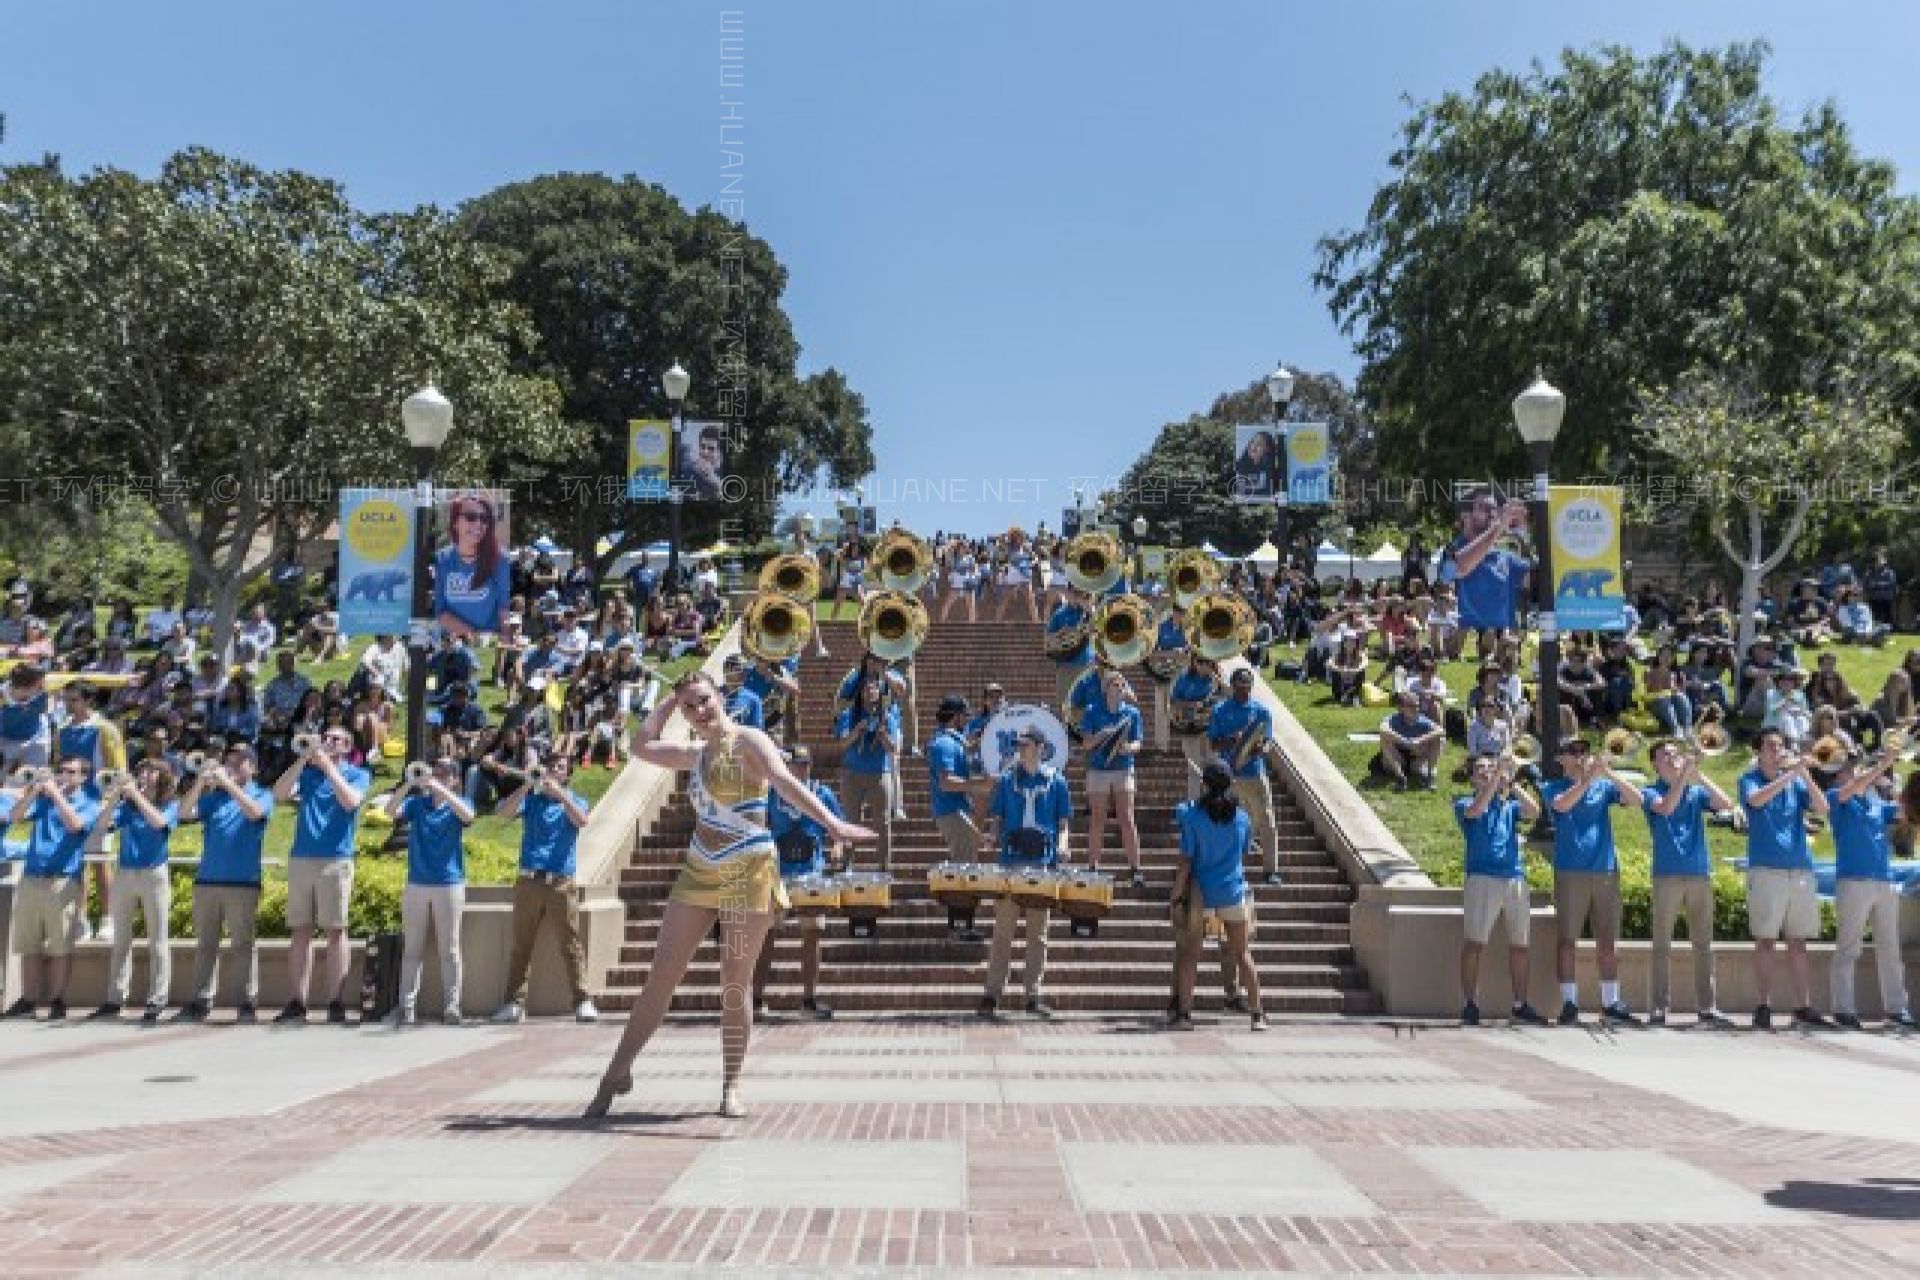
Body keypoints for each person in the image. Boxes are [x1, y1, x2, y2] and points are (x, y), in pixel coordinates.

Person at [586, 672, 872, 1120]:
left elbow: (785, 784)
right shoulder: (694, 755)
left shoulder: (749, 740)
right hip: (699, 868)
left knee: (734, 982)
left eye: (703, 700)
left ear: (720, 697)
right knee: (662, 973)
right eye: (689, 708)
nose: (699, 711)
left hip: (747, 870)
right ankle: (618, 1071)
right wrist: (666, 703)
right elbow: (640, 748)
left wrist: (832, 825)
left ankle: (731, 1083)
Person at [490, 756, 599, 1025]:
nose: (553, 771)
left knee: (570, 943)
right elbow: (503, 814)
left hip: (560, 882)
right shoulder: (532, 800)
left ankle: (582, 1000)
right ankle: (514, 1003)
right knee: (521, 945)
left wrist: (561, 795)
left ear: (567, 776)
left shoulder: (573, 800)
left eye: (560, 768)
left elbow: (582, 820)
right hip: (529, 880)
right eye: (550, 767)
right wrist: (526, 784)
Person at [1542, 739, 1644, 1026]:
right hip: (1571, 872)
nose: (1581, 756)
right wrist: (1586, 780)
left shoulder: (1603, 787)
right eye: (1573, 752)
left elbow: (1637, 800)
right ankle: (1569, 1002)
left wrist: (1609, 773)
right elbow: (1561, 806)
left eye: (1583, 751)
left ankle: (1611, 1002)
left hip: (1605, 872)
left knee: (1608, 941)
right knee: (1567, 941)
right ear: (1561, 759)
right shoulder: (1553, 787)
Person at [272, 727, 369, 1024]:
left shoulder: (357, 774)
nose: (328, 742)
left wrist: (329, 768)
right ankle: (297, 1001)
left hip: (336, 860)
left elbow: (351, 802)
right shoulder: (308, 774)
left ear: (348, 746)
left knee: (336, 931)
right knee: (300, 930)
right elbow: (279, 794)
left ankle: (335, 1001)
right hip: (302, 858)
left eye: (337, 739)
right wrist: (302, 760)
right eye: (326, 738)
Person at [1739, 728, 1831, 1030]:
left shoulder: (1795, 784)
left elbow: (1823, 808)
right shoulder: (1749, 779)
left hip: (1800, 870)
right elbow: (1755, 801)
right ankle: (1763, 1005)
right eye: (1771, 746)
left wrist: (1804, 774)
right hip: (1767, 870)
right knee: (1765, 940)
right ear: (1759, 752)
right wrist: (1790, 776)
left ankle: (1801, 1005)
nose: (1777, 751)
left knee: (1798, 942)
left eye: (1781, 746)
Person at [174, 745, 274, 1022]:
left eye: (240, 762)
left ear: (253, 768)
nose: (232, 765)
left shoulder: (262, 795)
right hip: (207, 881)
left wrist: (228, 784)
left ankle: (246, 1002)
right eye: (229, 761)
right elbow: (182, 814)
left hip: (243, 882)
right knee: (206, 944)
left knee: (242, 945)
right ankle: (199, 1000)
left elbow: (255, 814)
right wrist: (199, 783)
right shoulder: (213, 798)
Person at [979, 725, 1072, 1019]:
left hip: (1042, 863)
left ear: (1041, 748)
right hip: (1010, 860)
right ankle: (992, 994)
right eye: (1019, 745)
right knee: (1002, 932)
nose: (1021, 748)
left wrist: (1063, 846)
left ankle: (1033, 995)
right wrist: (991, 835)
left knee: (1038, 935)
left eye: (1026, 744)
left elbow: (1064, 823)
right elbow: (997, 816)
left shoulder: (1057, 782)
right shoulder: (1007, 781)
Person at [1168, 761, 1269, 1029]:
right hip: (1234, 892)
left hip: (1202, 894)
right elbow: (1246, 850)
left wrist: (1176, 896)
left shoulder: (1192, 817)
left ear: (1205, 784)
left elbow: (1185, 862)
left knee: (1190, 955)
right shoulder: (1242, 818)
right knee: (1242, 953)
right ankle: (1257, 1013)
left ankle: (1184, 1014)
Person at [1641, 740, 1734, 1025]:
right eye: (1664, 756)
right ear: (1655, 764)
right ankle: (1659, 1007)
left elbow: (1726, 803)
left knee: (1703, 944)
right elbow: (1667, 807)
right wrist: (1684, 777)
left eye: (1674, 754)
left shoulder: (1694, 791)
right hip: (1667, 874)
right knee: (1662, 944)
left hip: (1698, 873)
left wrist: (1699, 775)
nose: (1671, 758)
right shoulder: (1649, 791)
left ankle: (1707, 1007)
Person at [2, 758, 99, 1020]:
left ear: (83, 777)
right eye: (61, 771)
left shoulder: (89, 802)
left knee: (60, 946)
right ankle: (29, 998)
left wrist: (56, 794)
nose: (64, 776)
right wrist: (34, 790)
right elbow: (14, 817)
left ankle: (57, 999)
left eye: (71, 772)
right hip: (32, 878)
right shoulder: (42, 800)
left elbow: (76, 826)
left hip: (63, 881)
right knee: (28, 944)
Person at [1825, 747, 1914, 1029]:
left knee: (1890, 948)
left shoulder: (1876, 804)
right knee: (1848, 948)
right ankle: (1843, 1009)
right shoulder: (1835, 798)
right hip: (1853, 881)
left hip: (1883, 881)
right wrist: (1881, 767)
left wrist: (1901, 785)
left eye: (1854, 767)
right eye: (1848, 769)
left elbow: (1905, 814)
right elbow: (1850, 790)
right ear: (1837, 775)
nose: (1854, 771)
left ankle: (1896, 1008)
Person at [1455, 753, 1546, 1027]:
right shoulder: (1464, 802)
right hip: (1482, 878)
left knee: (1520, 945)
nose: (1486, 772)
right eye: (1480, 769)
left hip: (1514, 878)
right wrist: (1496, 779)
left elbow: (1534, 811)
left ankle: (1520, 1004)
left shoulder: (1508, 806)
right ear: (1472, 777)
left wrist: (1513, 782)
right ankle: (1470, 1003)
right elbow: (1476, 811)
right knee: (1475, 943)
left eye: (1490, 767)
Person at [85, 760, 180, 1022]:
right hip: (125, 873)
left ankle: (157, 999)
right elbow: (102, 826)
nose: (143, 775)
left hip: (154, 875)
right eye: (141, 772)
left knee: (158, 941)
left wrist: (135, 794)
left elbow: (159, 823)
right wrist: (115, 796)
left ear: (162, 777)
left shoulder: (169, 804)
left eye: (150, 771)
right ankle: (115, 997)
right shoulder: (127, 807)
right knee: (120, 941)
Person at [754, 745, 843, 1019]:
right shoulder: (770, 793)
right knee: (766, 933)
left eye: (804, 764)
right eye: (794, 764)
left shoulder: (822, 793)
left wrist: (838, 846)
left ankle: (808, 998)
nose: (799, 769)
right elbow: (756, 822)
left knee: (813, 932)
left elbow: (837, 826)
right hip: (777, 870)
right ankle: (756, 997)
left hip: (810, 871)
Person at [384, 756, 474, 1026]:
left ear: (455, 779)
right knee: (412, 948)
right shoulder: (417, 804)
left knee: (450, 948)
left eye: (445, 773)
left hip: (449, 883)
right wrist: (407, 784)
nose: (437, 775)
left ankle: (452, 1006)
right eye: (436, 771)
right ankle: (406, 1007)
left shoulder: (460, 804)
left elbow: (469, 816)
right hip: (417, 883)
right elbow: (389, 811)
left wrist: (442, 789)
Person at [54, 682, 126, 945]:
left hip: (98, 806)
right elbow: (58, 766)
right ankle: (80, 920)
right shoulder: (62, 731)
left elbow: (119, 771)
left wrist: (108, 805)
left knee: (100, 861)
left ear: (87, 701)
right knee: (77, 865)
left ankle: (108, 920)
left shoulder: (106, 730)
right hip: (71, 806)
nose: (67, 704)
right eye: (65, 699)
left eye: (73, 700)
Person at [1206, 667, 1283, 884]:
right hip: (1230, 775)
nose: (1244, 691)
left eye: (1247, 686)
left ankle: (1271, 870)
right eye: (1240, 686)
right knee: (1229, 823)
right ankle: (1229, 869)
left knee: (1267, 821)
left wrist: (1261, 748)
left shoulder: (1261, 711)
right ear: (1233, 686)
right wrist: (1234, 739)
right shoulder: (1220, 710)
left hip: (1255, 773)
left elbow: (1267, 742)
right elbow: (1213, 744)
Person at [1082, 667, 1146, 889]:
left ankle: (1136, 868)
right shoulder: (1092, 710)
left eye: (1121, 685)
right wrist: (1104, 735)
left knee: (1127, 817)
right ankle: (1092, 866)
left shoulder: (1132, 713)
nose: (1119, 688)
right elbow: (1086, 743)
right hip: (1098, 768)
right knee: (1098, 818)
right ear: (1105, 688)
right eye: (1114, 684)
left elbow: (1139, 743)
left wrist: (1128, 748)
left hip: (1123, 767)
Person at [1441, 487, 1530, 643]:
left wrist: (1524, 532)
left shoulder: (1505, 554)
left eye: (1494, 509)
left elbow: (1533, 579)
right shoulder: (1451, 551)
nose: (1492, 514)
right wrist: (1498, 527)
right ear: (1465, 515)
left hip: (1503, 641)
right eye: (1484, 508)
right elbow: (1457, 570)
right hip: (1466, 639)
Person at [927, 695, 986, 925]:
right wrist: (979, 785)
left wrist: (975, 741)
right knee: (964, 870)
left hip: (956, 811)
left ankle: (962, 922)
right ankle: (960, 925)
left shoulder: (952, 741)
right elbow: (946, 782)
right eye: (963, 715)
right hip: (952, 811)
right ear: (954, 717)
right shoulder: (944, 744)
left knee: (967, 866)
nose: (966, 720)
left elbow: (963, 747)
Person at [835, 675, 899, 870]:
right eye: (866, 689)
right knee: (851, 821)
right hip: (852, 774)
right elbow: (841, 744)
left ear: (879, 693)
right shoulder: (849, 714)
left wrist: (884, 736)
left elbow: (893, 749)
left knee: (883, 822)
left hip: (879, 773)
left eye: (874, 689)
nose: (870, 692)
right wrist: (857, 731)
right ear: (860, 693)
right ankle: (847, 865)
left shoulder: (887, 716)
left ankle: (884, 866)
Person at [434, 494, 511, 636]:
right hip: (451, 643)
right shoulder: (442, 559)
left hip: (488, 644)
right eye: (470, 517)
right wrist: (472, 637)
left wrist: (505, 637)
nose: (478, 524)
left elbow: (504, 609)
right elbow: (440, 612)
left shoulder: (500, 559)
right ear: (455, 522)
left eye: (484, 518)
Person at [1378, 691, 1444, 792]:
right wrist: (1405, 741)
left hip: (1416, 759)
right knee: (1384, 739)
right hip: (1398, 759)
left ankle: (1429, 777)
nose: (1415, 709)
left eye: (1417, 706)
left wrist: (1419, 740)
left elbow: (1440, 730)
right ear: (1401, 708)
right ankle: (1400, 777)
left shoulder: (1423, 720)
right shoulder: (1394, 718)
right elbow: (1382, 729)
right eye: (1411, 706)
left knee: (1439, 739)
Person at [1044, 585, 1094, 711]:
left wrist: (1089, 610)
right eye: (1075, 592)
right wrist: (1059, 633)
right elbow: (1047, 640)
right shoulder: (1059, 613)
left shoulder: (1089, 611)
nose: (1078, 595)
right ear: (1069, 593)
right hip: (1065, 666)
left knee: (1086, 705)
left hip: (1086, 665)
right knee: (1064, 705)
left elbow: (1099, 629)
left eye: (1081, 592)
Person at [1233, 429, 1279, 501]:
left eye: (1259, 444)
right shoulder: (1240, 466)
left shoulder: (1272, 469)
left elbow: (1269, 493)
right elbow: (1240, 493)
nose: (1253, 446)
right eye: (1252, 442)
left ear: (1267, 449)